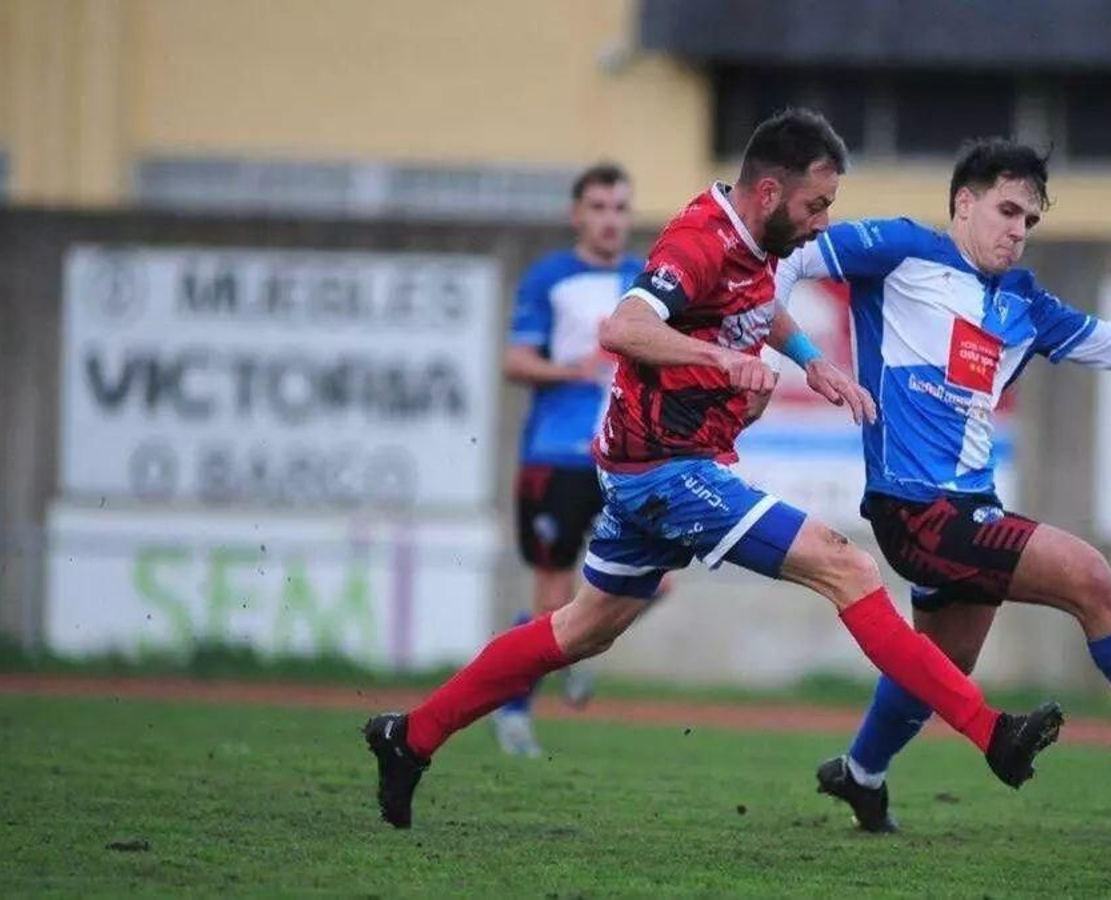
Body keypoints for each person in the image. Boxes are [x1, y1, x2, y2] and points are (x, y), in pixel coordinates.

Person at [362, 111, 1065, 830]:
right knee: (845, 566)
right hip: (667, 472)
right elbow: (623, 328)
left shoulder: (760, 240)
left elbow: (762, 306)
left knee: (579, 631)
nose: (824, 223)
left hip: (650, 468)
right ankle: (991, 733)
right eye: (815, 205)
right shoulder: (699, 241)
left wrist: (813, 361)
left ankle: (408, 737)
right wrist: (719, 359)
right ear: (767, 192)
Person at [774, 138, 1111, 833]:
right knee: (1090, 576)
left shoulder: (1023, 303)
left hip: (969, 507)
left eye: (1029, 220)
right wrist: (789, 349)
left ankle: (862, 774)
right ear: (964, 204)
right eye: (1007, 210)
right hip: (914, 509)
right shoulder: (902, 250)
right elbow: (787, 258)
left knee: (938, 665)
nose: (1018, 231)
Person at [493, 163, 644, 757]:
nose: (610, 219)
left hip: (628, 457)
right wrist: (571, 370)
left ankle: (576, 645)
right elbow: (515, 361)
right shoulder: (549, 278)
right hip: (557, 455)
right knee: (550, 596)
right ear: (577, 214)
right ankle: (513, 712)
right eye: (599, 207)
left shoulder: (645, 279)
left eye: (620, 208)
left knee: (658, 580)